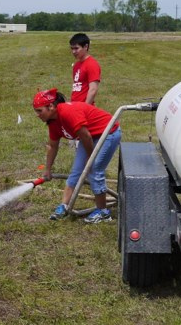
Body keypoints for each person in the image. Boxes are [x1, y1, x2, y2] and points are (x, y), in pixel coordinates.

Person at [33, 88, 121, 223]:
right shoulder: (53, 122)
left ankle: (103, 213)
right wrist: (48, 169)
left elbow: (86, 135)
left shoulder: (68, 112)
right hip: (89, 137)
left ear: (50, 106)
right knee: (77, 171)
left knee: (94, 169)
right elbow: (53, 146)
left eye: (39, 111)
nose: (37, 115)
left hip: (108, 132)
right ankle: (64, 206)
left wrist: (90, 159)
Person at [69, 33, 101, 104]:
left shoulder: (92, 64)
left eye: (76, 48)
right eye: (72, 48)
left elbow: (93, 90)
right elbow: (76, 87)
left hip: (84, 109)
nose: (73, 52)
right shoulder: (76, 65)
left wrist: (85, 108)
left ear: (86, 46)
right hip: (74, 106)